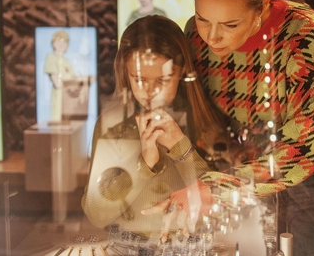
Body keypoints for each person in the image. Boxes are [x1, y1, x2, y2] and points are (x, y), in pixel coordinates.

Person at [182, 0, 314, 256]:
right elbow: (203, 115)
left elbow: (305, 148)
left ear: (262, 8)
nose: (212, 36)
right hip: (241, 170)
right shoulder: (194, 37)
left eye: (230, 24)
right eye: (202, 18)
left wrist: (221, 186)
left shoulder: (304, 34)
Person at [81, 16, 226, 243]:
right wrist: (143, 164)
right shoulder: (113, 124)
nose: (150, 91)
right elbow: (97, 214)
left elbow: (223, 202)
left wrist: (181, 147)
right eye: (139, 79)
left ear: (182, 71)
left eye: (163, 79)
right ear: (125, 74)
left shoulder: (203, 119)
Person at [44, 30, 76, 121]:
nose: (62, 44)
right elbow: (57, 82)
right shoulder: (50, 57)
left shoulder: (66, 61)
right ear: (53, 43)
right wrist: (68, 83)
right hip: (58, 96)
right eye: (59, 40)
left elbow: (74, 78)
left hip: (69, 96)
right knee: (57, 120)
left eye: (64, 41)